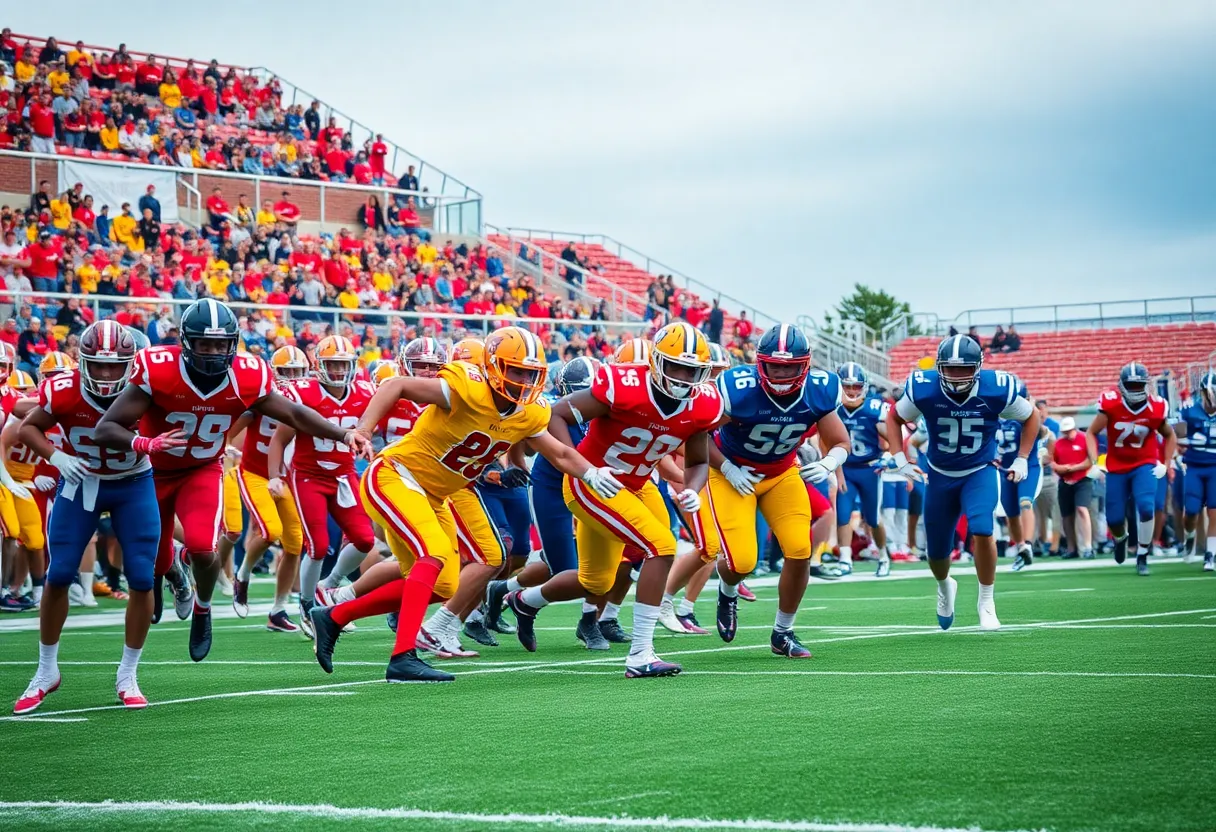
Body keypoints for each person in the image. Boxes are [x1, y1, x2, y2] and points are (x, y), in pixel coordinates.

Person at [309, 326, 618, 683]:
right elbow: (396, 385)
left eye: (531, 372)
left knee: (443, 585)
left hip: (435, 493)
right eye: (516, 370)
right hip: (397, 474)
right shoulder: (466, 385)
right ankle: (403, 657)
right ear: (492, 365)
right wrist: (363, 429)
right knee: (436, 554)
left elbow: (561, 452)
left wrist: (591, 473)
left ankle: (333, 617)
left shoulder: (529, 412)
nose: (524, 380)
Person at [93, 299, 373, 662]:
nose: (213, 352)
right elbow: (106, 428)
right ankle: (173, 574)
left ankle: (203, 608)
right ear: (186, 341)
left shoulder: (248, 374)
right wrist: (145, 443)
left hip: (201, 468)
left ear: (233, 343)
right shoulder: (158, 369)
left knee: (202, 546)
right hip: (155, 470)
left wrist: (342, 434)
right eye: (205, 344)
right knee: (156, 558)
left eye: (221, 344)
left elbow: (293, 413)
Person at [505, 321, 722, 677]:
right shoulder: (624, 384)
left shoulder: (704, 403)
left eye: (692, 370)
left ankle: (524, 601)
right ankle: (641, 655)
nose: (683, 377)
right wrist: (583, 467)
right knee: (662, 546)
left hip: (635, 485)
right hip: (592, 484)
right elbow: (555, 415)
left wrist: (692, 489)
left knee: (596, 582)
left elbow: (698, 460)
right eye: (676, 366)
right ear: (656, 362)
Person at [10, 322, 159, 714]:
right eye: (100, 366)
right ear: (83, 362)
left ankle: (128, 674)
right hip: (80, 483)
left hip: (133, 482)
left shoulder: (148, 388)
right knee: (58, 574)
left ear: (131, 363)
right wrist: (56, 456)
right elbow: (27, 429)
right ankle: (45, 670)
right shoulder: (62, 388)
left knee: (142, 578)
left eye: (116, 367)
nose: (108, 375)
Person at [683, 325, 848, 656]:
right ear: (760, 363)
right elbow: (696, 434)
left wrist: (831, 462)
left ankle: (783, 632)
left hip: (782, 472)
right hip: (732, 474)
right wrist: (726, 467)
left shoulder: (820, 389)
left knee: (800, 550)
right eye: (775, 365)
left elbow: (841, 440)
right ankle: (728, 590)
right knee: (742, 560)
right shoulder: (737, 389)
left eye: (789, 366)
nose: (782, 373)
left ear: (804, 364)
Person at [887, 334, 1040, 631]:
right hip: (939, 473)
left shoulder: (996, 388)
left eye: (964, 369)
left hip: (979, 470)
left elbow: (1031, 417)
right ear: (939, 367)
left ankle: (986, 600)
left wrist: (1023, 457)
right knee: (937, 553)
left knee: (983, 529)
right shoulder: (924, 388)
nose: (956, 376)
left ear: (978, 367)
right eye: (950, 368)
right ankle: (945, 587)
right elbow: (894, 418)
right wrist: (900, 459)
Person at [267, 335, 378, 637]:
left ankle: (327, 587)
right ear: (319, 365)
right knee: (316, 544)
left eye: (344, 364)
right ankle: (306, 605)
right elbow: (280, 438)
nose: (340, 371)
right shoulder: (302, 393)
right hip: (307, 475)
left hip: (343, 474)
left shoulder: (365, 392)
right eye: (333, 364)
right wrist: (274, 475)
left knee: (365, 539)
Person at [230, 345, 309, 632]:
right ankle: (243, 575)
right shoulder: (262, 399)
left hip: (284, 479)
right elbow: (232, 428)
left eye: (296, 372)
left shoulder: (307, 401)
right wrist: (223, 448)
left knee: (295, 543)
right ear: (274, 374)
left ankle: (278, 610)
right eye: (285, 372)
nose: (291, 378)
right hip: (254, 473)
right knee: (270, 530)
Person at [1085, 363, 1175, 576]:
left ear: (1146, 385)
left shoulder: (1156, 407)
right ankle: (1120, 539)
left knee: (1146, 506)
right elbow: (1091, 433)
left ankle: (1143, 554)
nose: (1135, 389)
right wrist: (1094, 462)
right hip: (1116, 466)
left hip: (1144, 463)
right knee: (1114, 519)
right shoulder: (1111, 405)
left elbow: (1170, 435)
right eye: (1130, 385)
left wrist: (1166, 463)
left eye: (1138, 385)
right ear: (1122, 386)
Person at [834, 362, 890, 576]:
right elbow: (826, 442)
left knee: (873, 518)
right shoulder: (833, 409)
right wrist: (835, 470)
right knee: (843, 514)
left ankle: (884, 556)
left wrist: (889, 455)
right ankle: (845, 559)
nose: (851, 391)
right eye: (847, 386)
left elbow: (892, 437)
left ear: (864, 387)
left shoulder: (874, 408)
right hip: (845, 468)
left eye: (856, 386)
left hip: (869, 469)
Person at [997, 377, 1053, 571]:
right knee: (1010, 513)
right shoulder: (995, 416)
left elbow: (1047, 435)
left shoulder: (1028, 415)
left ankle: (1028, 545)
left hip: (1028, 467)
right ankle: (1020, 546)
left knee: (1025, 502)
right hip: (1005, 469)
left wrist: (1047, 455)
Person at [1174, 371, 1216, 569]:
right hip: (1195, 467)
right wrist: (1182, 441)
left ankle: (1211, 554)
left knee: (1214, 511)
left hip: (1215, 467)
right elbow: (1176, 435)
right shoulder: (1189, 410)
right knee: (1191, 511)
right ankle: (1189, 537)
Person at [1052, 416, 1095, 559]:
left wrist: (1074, 468)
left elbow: (1090, 460)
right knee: (1067, 516)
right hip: (1065, 481)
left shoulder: (1084, 439)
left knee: (1082, 509)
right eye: (1065, 431)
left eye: (1069, 431)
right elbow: (1054, 463)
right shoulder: (1058, 444)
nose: (1067, 434)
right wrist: (1062, 468)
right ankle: (1072, 548)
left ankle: (1088, 546)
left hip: (1083, 479)